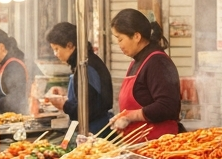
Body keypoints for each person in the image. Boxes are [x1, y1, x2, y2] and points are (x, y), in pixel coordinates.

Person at [108, 9, 182, 141]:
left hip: (158, 146)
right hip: (137, 145)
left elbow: (167, 106)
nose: (119, 44)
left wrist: (130, 116)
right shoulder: (136, 63)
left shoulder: (157, 62)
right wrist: (122, 116)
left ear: (136, 36)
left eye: (120, 39)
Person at [44, 22, 114, 134]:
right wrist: (66, 94)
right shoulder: (84, 62)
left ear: (70, 45)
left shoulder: (86, 66)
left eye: (56, 49)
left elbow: (88, 110)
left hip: (96, 131)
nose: (55, 54)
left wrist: (64, 105)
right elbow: (88, 97)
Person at [0, 29, 31, 115]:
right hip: (1, 117)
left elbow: (16, 99)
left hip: (15, 120)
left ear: (1, 47)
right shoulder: (0, 65)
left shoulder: (14, 66)